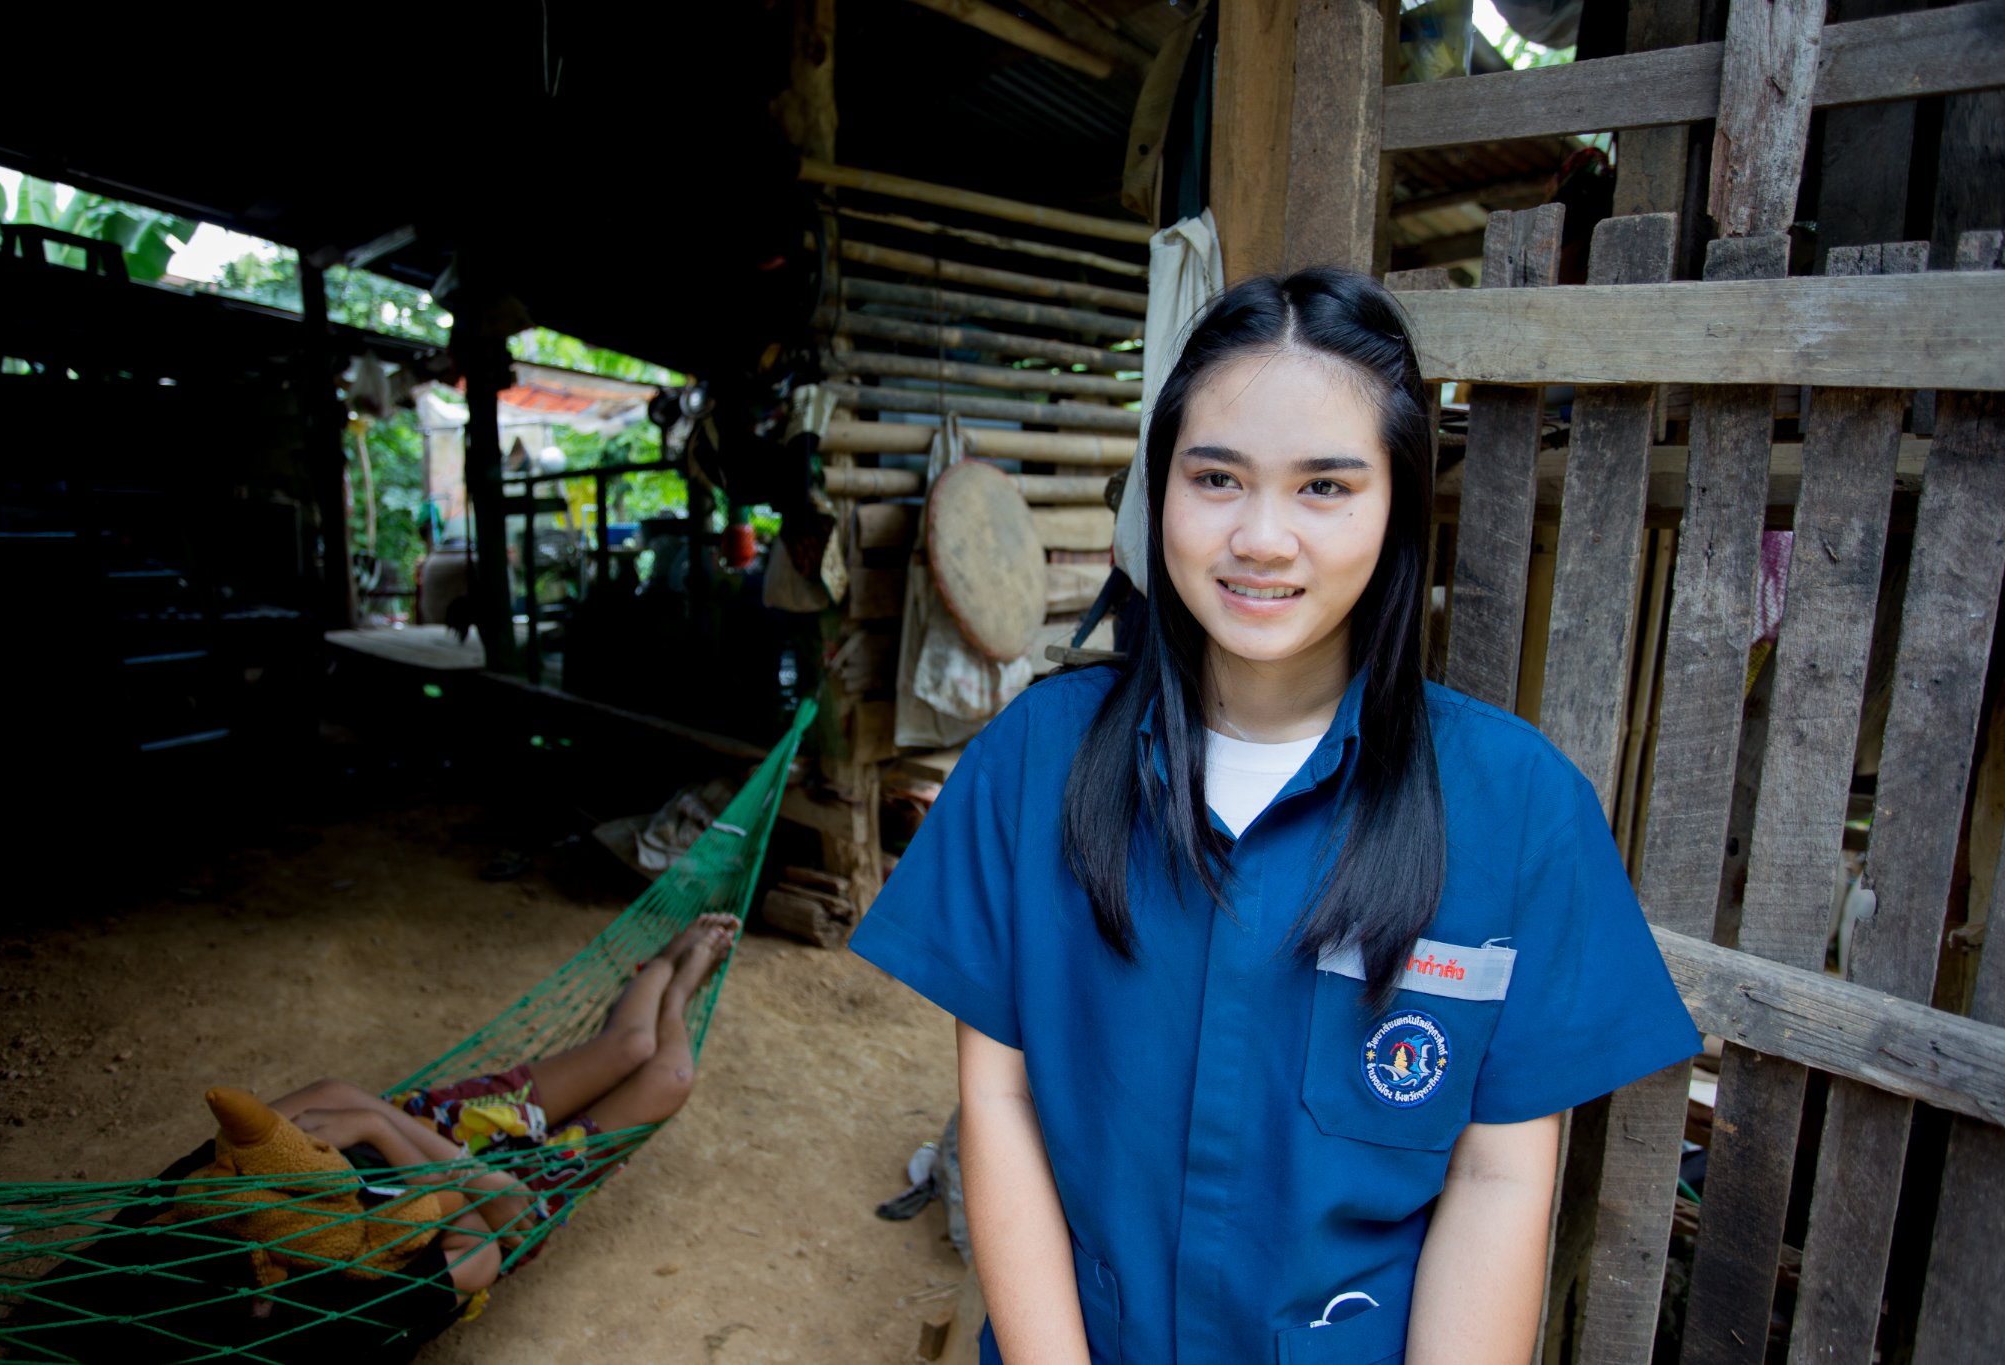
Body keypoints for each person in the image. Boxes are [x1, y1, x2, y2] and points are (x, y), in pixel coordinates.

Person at [849, 268, 1701, 1365]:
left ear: (1395, 510)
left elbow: (1498, 1182)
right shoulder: (1033, 761)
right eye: (1215, 477)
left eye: (1324, 488)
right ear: (1159, 492)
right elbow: (998, 1100)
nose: (1259, 537)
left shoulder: (1519, 810)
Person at [267, 912, 738, 1297]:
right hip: (493, 1210)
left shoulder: (213, 1191)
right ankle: (676, 994)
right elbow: (487, 1244)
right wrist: (470, 1180)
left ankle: (661, 965)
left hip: (433, 1133)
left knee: (632, 1047)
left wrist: (386, 1132)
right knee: (670, 1079)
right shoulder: (356, 1304)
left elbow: (331, 1095)